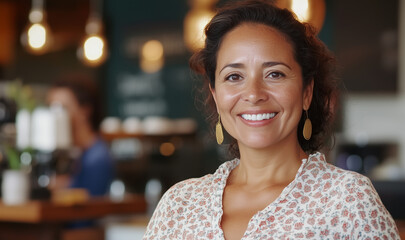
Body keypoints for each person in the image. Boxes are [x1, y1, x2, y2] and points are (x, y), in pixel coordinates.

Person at [143, 1, 400, 239]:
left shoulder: (348, 202)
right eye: (234, 77)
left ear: (306, 92)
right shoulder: (179, 204)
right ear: (215, 94)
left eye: (274, 74)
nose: (254, 94)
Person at [46, 73, 114, 197]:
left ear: (85, 110)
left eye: (62, 108)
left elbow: (86, 211)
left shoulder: (97, 158)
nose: (54, 115)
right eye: (51, 107)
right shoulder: (63, 152)